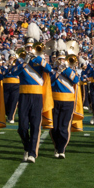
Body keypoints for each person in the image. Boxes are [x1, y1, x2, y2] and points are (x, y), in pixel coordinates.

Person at [17, 24, 53, 162]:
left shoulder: (40, 60)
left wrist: (37, 58)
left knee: (35, 125)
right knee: (22, 127)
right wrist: (24, 62)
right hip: (24, 95)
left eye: (31, 47)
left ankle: (32, 153)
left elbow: (49, 70)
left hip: (37, 96)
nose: (29, 49)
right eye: (27, 47)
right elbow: (13, 73)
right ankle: (27, 147)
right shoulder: (20, 60)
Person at [50, 48, 80, 159]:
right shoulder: (52, 70)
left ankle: (61, 149)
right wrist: (58, 72)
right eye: (59, 59)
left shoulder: (70, 70)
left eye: (63, 59)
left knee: (63, 126)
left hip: (68, 101)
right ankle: (56, 146)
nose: (61, 61)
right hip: (55, 100)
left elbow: (76, 80)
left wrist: (65, 69)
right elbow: (49, 82)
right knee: (55, 127)